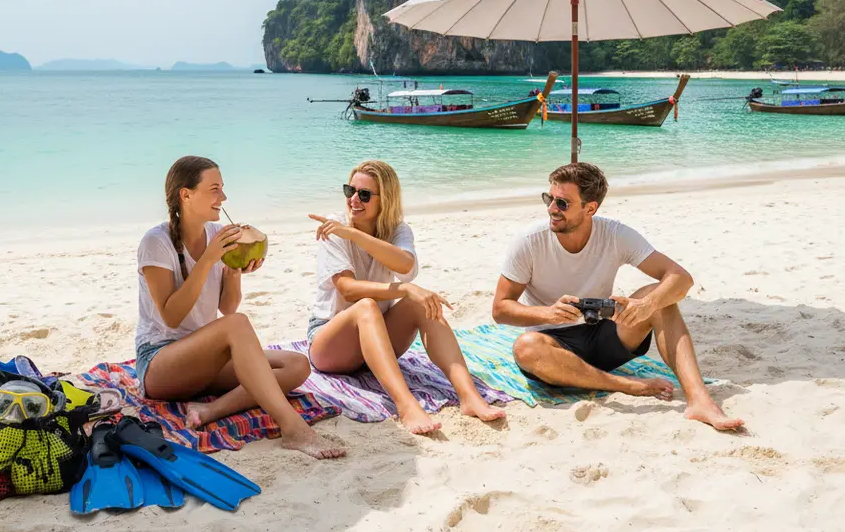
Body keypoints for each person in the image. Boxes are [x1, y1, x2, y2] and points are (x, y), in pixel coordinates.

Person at [492, 162, 743, 432]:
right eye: (549, 199)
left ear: (590, 208)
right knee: (525, 347)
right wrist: (547, 313)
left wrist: (647, 305)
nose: (552, 209)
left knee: (659, 297)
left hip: (604, 335)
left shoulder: (614, 234)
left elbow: (681, 278)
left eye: (562, 203)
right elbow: (500, 309)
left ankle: (700, 400)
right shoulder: (530, 241)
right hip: (553, 348)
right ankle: (627, 386)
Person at [137, 155, 345, 459]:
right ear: (186, 194)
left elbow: (228, 308)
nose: (223, 197)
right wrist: (209, 259)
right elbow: (170, 317)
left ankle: (209, 410)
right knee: (238, 326)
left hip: (204, 361)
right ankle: (294, 429)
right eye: (215, 189)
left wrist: (233, 271)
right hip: (160, 365)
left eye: (222, 189)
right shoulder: (156, 242)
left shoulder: (216, 235)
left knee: (296, 365)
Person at [308, 160, 505, 434]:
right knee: (368, 306)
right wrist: (402, 289)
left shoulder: (396, 230)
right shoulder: (334, 229)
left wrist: (355, 235)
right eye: (349, 190)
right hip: (331, 345)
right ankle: (406, 405)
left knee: (419, 302)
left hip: (378, 340)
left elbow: (406, 267)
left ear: (385, 200)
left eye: (364, 195)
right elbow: (347, 289)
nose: (353, 200)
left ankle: (469, 396)